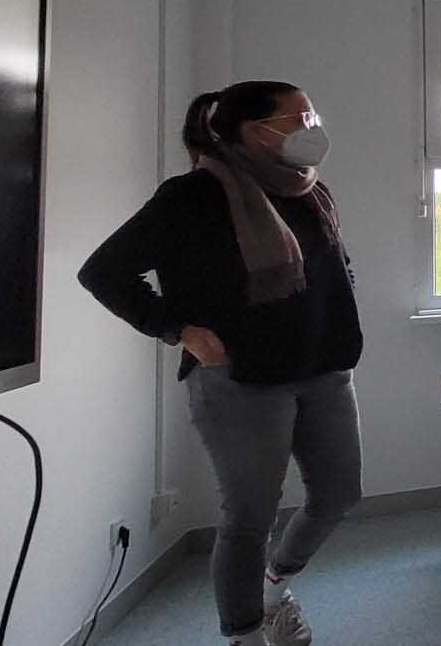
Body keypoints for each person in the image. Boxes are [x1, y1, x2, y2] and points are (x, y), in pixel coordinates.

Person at [79, 82, 361, 646]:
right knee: (250, 517)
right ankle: (244, 635)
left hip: (325, 370)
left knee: (338, 495)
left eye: (312, 114)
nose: (313, 126)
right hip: (242, 381)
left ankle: (274, 588)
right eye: (300, 117)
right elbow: (103, 272)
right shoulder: (193, 195)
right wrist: (178, 330)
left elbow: (335, 265)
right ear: (256, 131)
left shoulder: (311, 189)